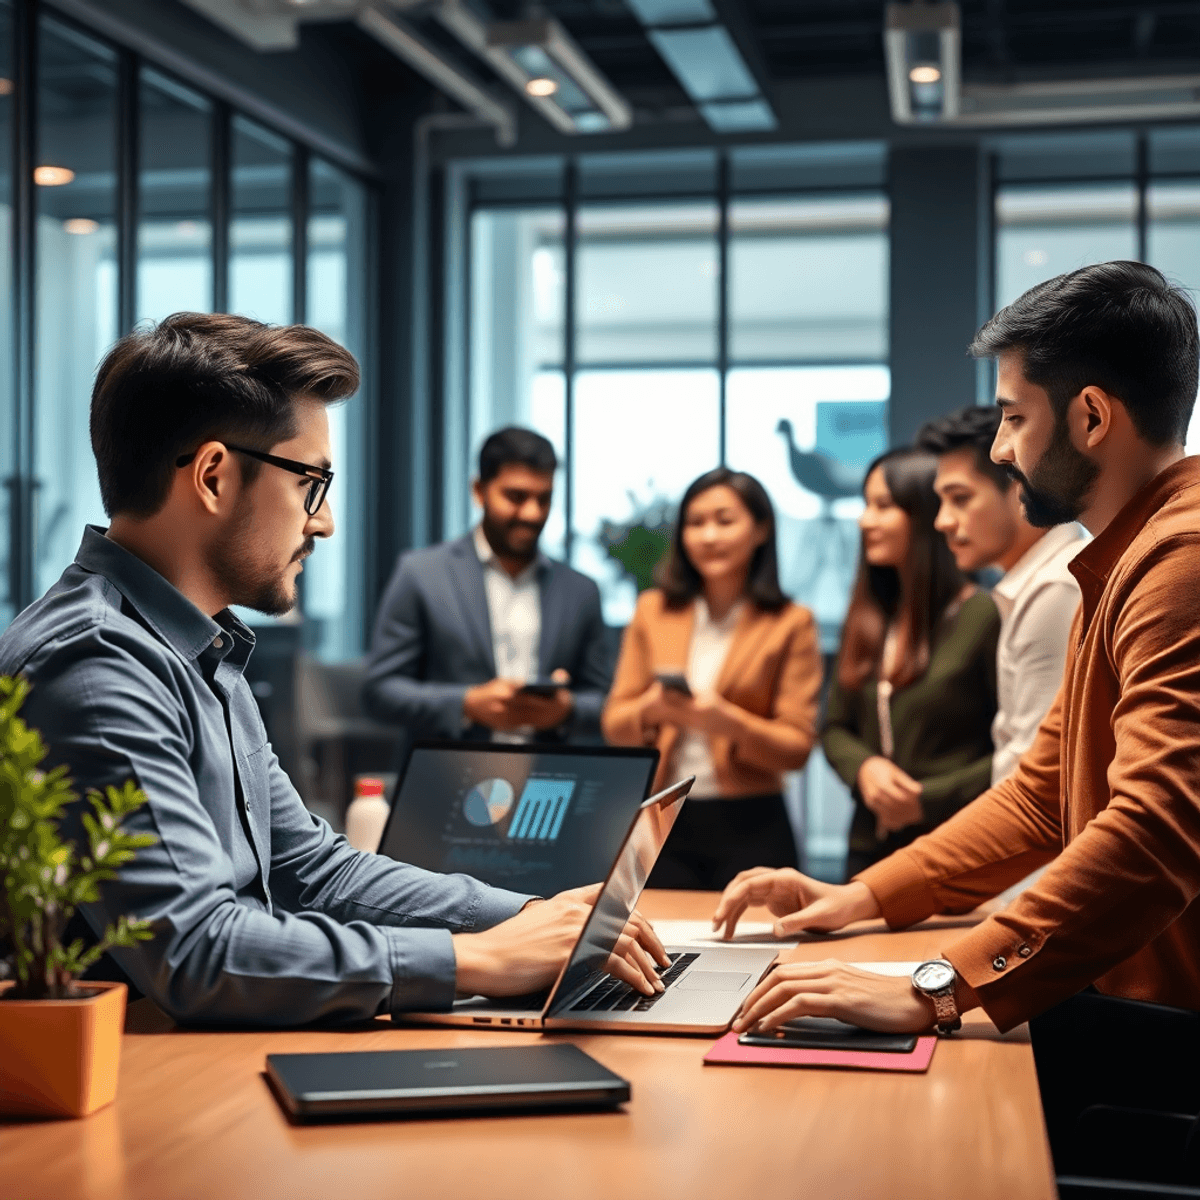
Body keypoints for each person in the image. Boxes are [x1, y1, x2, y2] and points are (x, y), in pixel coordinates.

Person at [0, 313, 665, 1027]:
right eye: (311, 483)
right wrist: (477, 960)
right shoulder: (99, 664)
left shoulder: (202, 647)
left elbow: (312, 869)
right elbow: (195, 950)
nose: (325, 522)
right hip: (146, 1089)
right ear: (215, 477)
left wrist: (538, 920)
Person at [711, 262, 1200, 1179]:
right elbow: (1040, 795)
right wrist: (859, 899)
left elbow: (1153, 835)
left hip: (1166, 1039)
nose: (1003, 449)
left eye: (1015, 417)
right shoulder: (1126, 553)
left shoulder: (1180, 560)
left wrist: (940, 987)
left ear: (1092, 417)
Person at [602, 468, 821, 890]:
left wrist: (725, 721)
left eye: (724, 520)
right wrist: (651, 708)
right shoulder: (652, 610)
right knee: (658, 950)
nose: (708, 536)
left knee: (759, 948)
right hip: (662, 816)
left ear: (760, 530)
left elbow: (795, 748)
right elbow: (615, 724)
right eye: (695, 522)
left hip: (753, 820)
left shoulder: (791, 622)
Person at [363, 427, 611, 747]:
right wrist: (467, 703)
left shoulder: (581, 591)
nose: (533, 513)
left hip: (549, 781)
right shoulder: (420, 574)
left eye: (544, 499)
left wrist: (567, 710)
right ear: (479, 491)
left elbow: (606, 702)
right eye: (516, 497)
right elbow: (380, 691)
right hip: (447, 778)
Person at [823, 447, 1001, 878]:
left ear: (925, 517)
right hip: (868, 844)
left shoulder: (982, 614)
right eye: (866, 505)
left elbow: (1016, 752)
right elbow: (833, 727)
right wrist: (866, 769)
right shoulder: (869, 615)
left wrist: (924, 797)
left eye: (884, 506)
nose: (866, 520)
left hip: (954, 847)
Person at [918, 404, 1085, 784]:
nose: (942, 521)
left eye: (960, 498)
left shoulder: (1054, 589)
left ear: (1018, 486)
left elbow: (1038, 779)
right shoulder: (1035, 582)